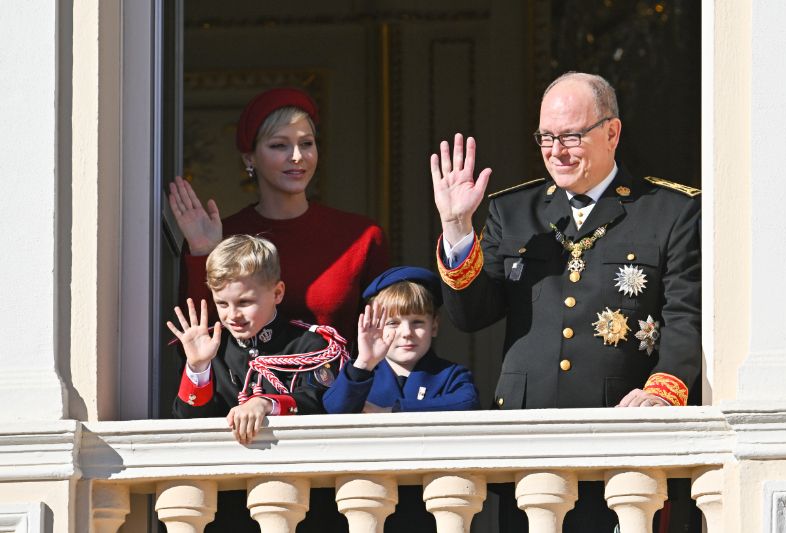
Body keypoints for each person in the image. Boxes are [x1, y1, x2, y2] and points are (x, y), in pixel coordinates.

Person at [430, 72, 701, 531]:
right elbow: (472, 316)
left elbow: (685, 315)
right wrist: (457, 226)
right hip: (525, 443)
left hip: (621, 441)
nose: (557, 151)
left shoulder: (669, 211)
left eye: (572, 136)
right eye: (546, 137)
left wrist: (663, 391)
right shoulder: (513, 210)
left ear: (611, 133)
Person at [169, 87, 388, 341]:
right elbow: (193, 346)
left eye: (306, 143)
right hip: (244, 381)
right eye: (279, 145)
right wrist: (204, 254)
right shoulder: (222, 238)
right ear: (249, 158)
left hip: (341, 380)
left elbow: (384, 341)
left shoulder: (361, 237)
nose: (297, 157)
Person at [169, 235, 347, 441]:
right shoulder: (213, 349)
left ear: (278, 293)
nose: (232, 315)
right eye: (222, 304)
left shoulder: (311, 346)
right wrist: (198, 368)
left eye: (244, 302)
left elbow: (322, 405)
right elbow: (189, 426)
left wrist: (266, 403)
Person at [323, 266, 480, 414]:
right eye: (393, 323)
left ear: (434, 326)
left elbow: (468, 403)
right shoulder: (360, 374)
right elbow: (334, 409)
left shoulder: (450, 375)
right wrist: (364, 363)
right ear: (375, 325)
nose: (406, 333)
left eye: (417, 322)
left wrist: (393, 411)